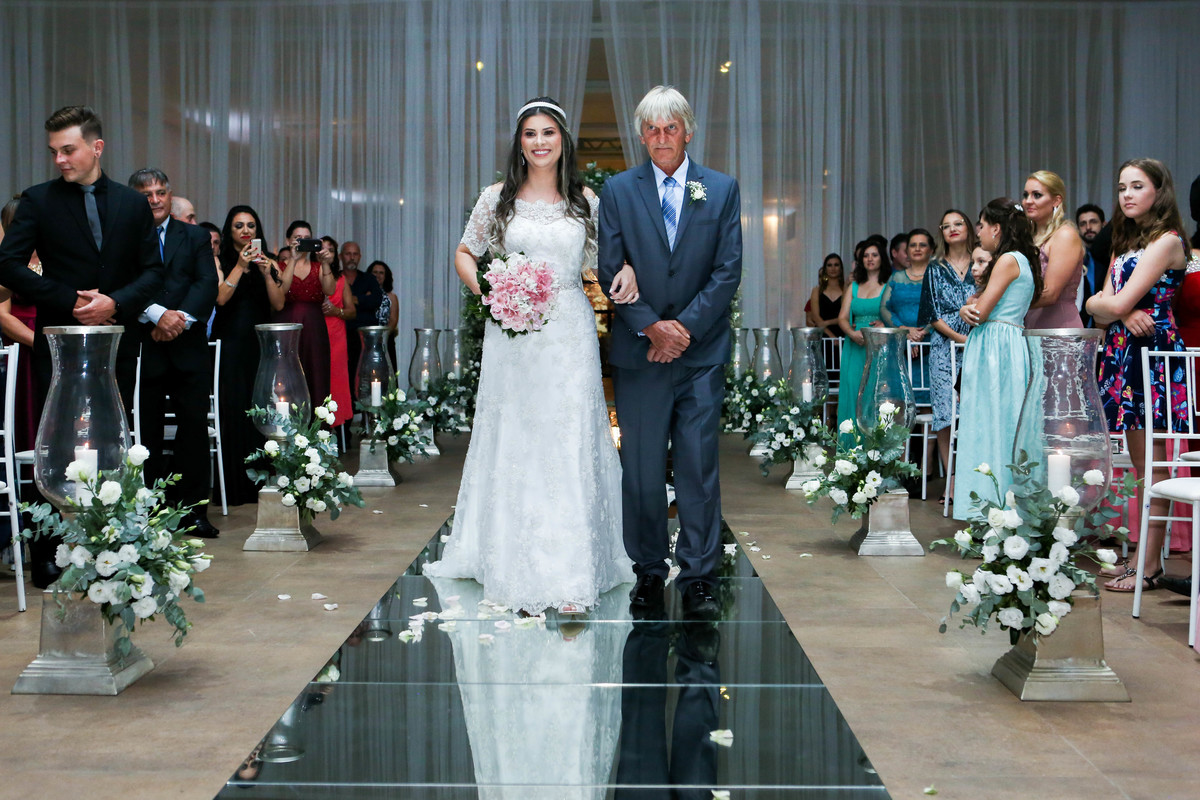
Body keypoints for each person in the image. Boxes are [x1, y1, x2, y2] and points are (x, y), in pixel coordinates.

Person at [425, 96, 639, 615]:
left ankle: (572, 569)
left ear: (563, 139)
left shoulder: (585, 201)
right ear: (519, 143)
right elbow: (465, 252)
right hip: (514, 334)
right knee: (517, 436)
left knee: (568, 436)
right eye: (530, 134)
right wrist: (491, 291)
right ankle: (510, 559)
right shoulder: (497, 199)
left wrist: (629, 268)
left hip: (568, 331)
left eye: (548, 132)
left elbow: (610, 260)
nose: (540, 142)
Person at [0, 105, 164, 588]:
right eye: (54, 151)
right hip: (57, 345)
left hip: (115, 343)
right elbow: (7, 264)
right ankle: (48, 552)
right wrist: (69, 300)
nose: (60, 160)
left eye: (68, 150)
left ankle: (113, 545)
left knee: (113, 440)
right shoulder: (38, 200)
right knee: (54, 443)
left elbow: (154, 272)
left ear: (97, 147)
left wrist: (116, 301)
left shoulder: (132, 204)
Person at [597, 85, 743, 621]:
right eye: (652, 130)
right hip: (641, 356)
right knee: (640, 469)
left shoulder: (721, 189)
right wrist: (652, 328)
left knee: (698, 466)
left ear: (688, 131)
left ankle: (700, 575)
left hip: (700, 355)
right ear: (642, 135)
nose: (661, 138)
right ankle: (648, 571)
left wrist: (682, 329)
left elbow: (727, 269)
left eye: (671, 128)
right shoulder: (618, 190)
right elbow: (609, 267)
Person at [1087, 158, 1190, 592]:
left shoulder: (1168, 241)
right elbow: (1098, 308)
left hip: (1153, 352)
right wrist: (1119, 311)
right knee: (1140, 463)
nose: (1127, 195)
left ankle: (1148, 565)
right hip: (1123, 349)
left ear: (1158, 192)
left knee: (1154, 463)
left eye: (1137, 186)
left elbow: (1112, 302)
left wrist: (1115, 308)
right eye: (1122, 187)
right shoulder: (1124, 241)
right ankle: (1139, 559)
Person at [128, 168, 219, 538]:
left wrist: (178, 319)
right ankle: (149, 511)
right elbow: (122, 283)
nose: (155, 200)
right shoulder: (124, 237)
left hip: (188, 346)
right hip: (144, 345)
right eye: (146, 194)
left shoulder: (194, 235)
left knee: (193, 430)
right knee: (145, 432)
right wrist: (156, 315)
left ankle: (193, 512)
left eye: (161, 192)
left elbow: (206, 283)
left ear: (169, 194)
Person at [952, 198, 1042, 519]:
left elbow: (980, 312)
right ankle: (1003, 507)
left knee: (990, 423)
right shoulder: (1022, 259)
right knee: (1004, 422)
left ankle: (992, 509)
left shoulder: (1007, 259)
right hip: (1006, 342)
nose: (978, 232)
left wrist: (965, 308)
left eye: (981, 225)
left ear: (997, 228)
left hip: (995, 347)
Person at [211, 205, 278, 506]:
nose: (246, 231)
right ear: (230, 230)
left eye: (251, 225)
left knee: (260, 410)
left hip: (259, 346)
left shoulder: (269, 261)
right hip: (230, 345)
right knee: (233, 410)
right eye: (239, 226)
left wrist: (267, 274)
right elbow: (220, 299)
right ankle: (233, 488)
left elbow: (279, 304)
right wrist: (240, 265)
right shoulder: (221, 260)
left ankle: (261, 482)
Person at [918, 209, 979, 504]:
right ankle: (951, 481)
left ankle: (976, 477)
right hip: (944, 346)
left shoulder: (982, 261)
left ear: (968, 227)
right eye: (946, 226)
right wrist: (960, 339)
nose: (953, 229)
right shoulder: (934, 267)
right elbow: (931, 315)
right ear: (941, 232)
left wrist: (974, 340)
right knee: (945, 414)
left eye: (958, 223)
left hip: (979, 342)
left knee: (974, 410)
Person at [272, 220, 335, 410]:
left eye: (307, 238)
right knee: (287, 374)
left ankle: (317, 422)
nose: (302, 242)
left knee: (316, 372)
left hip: (314, 328)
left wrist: (325, 264)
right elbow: (282, 291)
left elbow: (330, 290)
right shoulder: (279, 265)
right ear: (288, 240)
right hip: (287, 326)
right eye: (297, 238)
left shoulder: (318, 267)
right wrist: (292, 259)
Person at [836, 239, 889, 442]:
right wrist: (852, 333)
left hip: (878, 346)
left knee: (874, 394)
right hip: (855, 345)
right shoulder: (854, 287)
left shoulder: (888, 285)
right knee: (852, 393)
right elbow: (842, 317)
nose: (870, 259)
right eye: (866, 256)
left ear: (882, 258)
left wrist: (884, 325)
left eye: (874, 255)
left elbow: (894, 315)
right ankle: (850, 449)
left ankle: (874, 449)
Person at [0, 197, 39, 455]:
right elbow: (3, 316)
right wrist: (39, 342)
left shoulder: (53, 255)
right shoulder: (6, 261)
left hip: (53, 336)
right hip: (21, 344)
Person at [1022, 170, 1085, 328]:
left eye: (1037, 195)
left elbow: (1050, 294)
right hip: (1028, 325)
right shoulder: (1026, 237)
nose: (1028, 201)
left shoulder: (1065, 235)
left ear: (1056, 200)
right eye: (1025, 195)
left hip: (1059, 326)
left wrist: (1001, 304)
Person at [319, 235, 355, 431]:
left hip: (336, 335)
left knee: (336, 381)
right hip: (316, 331)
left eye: (331, 250)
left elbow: (351, 311)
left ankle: (338, 426)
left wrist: (336, 311)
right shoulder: (310, 275)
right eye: (322, 249)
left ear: (335, 255)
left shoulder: (341, 279)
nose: (326, 253)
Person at [341, 240, 379, 396]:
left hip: (365, 336)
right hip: (343, 334)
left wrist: (352, 299)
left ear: (360, 256)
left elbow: (376, 300)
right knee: (345, 374)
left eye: (355, 254)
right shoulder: (336, 278)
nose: (352, 257)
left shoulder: (369, 279)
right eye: (348, 254)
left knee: (366, 375)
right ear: (341, 256)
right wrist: (364, 298)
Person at [1076, 203, 1106, 325]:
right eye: (1083, 224)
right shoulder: (1073, 258)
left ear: (1104, 224)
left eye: (1093, 222)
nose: (1088, 227)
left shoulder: (1111, 257)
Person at [806, 252, 844, 338]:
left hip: (844, 335)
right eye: (829, 265)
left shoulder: (847, 289)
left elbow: (847, 316)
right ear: (825, 269)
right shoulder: (816, 290)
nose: (833, 268)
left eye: (836, 265)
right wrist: (832, 336)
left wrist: (827, 322)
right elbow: (816, 318)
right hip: (823, 336)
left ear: (841, 268)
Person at [368, 260, 399, 333]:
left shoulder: (392, 297)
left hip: (386, 336)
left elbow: (393, 320)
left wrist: (383, 335)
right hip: (366, 335)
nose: (377, 275)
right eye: (375, 272)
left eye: (381, 273)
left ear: (386, 276)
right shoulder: (363, 294)